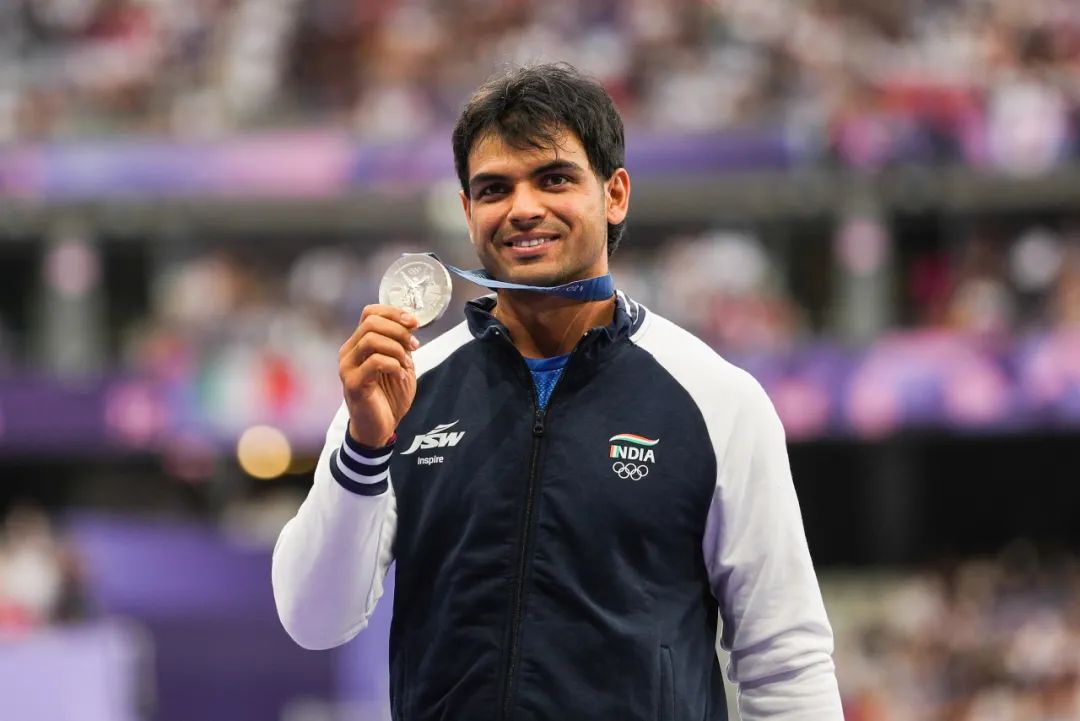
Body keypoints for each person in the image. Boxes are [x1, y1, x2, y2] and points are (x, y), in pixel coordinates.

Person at [272, 63, 843, 720]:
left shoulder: (718, 400)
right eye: (494, 188)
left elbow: (785, 658)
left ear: (614, 194)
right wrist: (365, 449)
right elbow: (314, 620)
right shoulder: (401, 393)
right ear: (468, 213)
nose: (523, 208)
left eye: (554, 179)